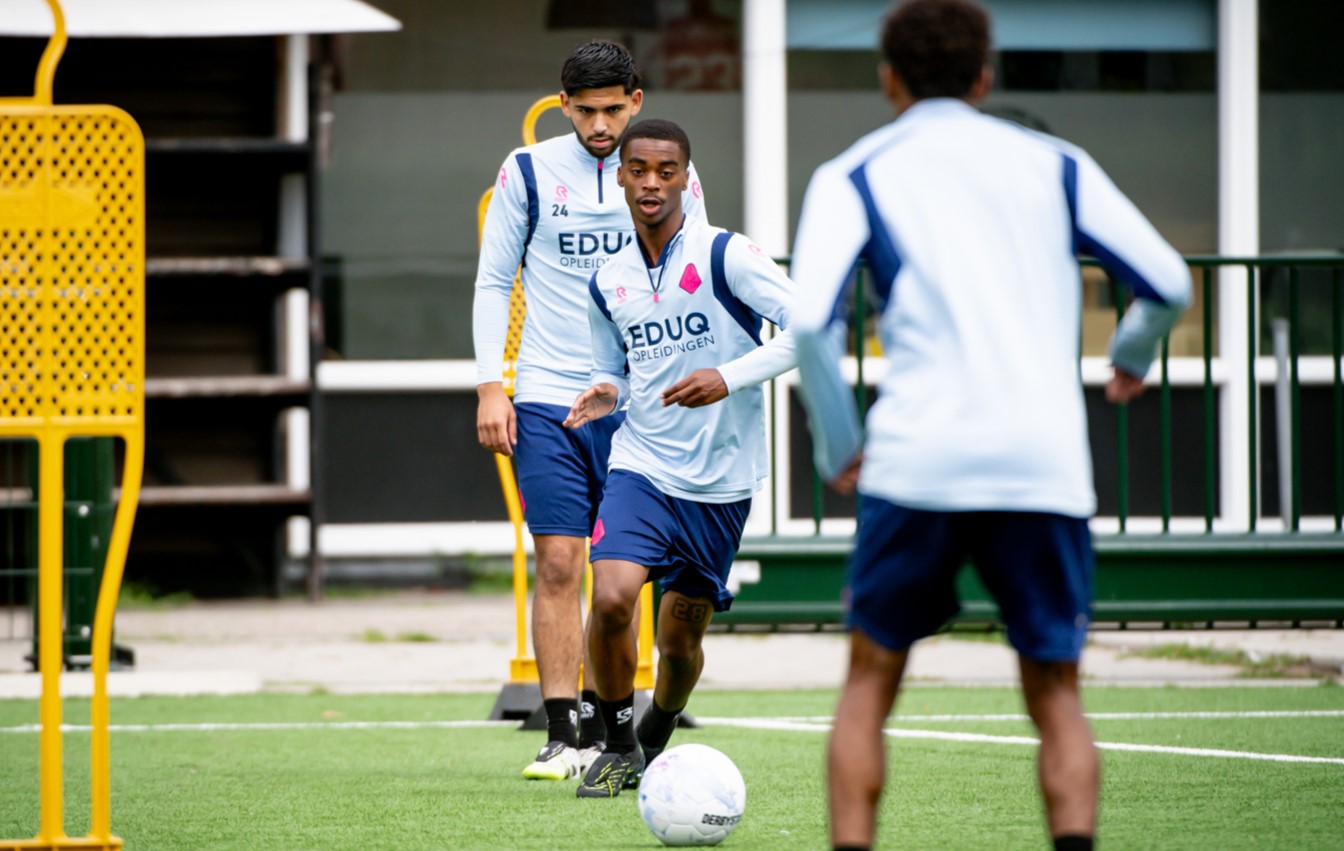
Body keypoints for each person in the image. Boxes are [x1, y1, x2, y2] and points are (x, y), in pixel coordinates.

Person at [789, 1, 1192, 849]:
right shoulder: (1057, 164)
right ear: (984, 76)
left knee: (869, 678)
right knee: (1055, 691)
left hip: (916, 463)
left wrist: (839, 443)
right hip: (1039, 462)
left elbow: (810, 324)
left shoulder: (853, 173)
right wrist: (1132, 352)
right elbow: (1168, 280)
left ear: (888, 78)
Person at [473, 40, 708, 782]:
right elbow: (491, 280)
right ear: (564, 105)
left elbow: (693, 273)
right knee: (558, 558)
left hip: (640, 401)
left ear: (636, 100)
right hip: (546, 395)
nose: (602, 125)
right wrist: (489, 384)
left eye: (614, 109)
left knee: (624, 571)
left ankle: (621, 720)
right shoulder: (529, 172)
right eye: (587, 111)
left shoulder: (671, 172)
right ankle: (562, 729)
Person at [562, 119, 798, 798]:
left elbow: (813, 325)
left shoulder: (728, 255)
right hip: (641, 465)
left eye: (665, 171)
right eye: (638, 170)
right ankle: (613, 743)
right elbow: (615, 369)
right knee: (610, 597)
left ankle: (656, 731)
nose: (651, 184)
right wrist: (608, 390)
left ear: (686, 177)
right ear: (620, 177)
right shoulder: (609, 278)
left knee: (679, 641)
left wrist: (729, 375)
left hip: (720, 484)